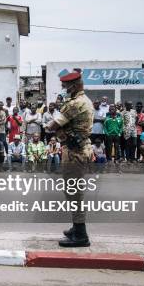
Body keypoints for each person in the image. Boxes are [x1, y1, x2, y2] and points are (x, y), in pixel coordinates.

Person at [45, 69, 94, 247]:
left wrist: (55, 127)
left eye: (65, 85)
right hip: (80, 149)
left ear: (74, 86)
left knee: (74, 192)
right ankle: (76, 227)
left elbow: (51, 126)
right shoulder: (85, 100)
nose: (63, 88)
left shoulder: (74, 104)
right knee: (73, 191)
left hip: (75, 152)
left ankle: (81, 235)